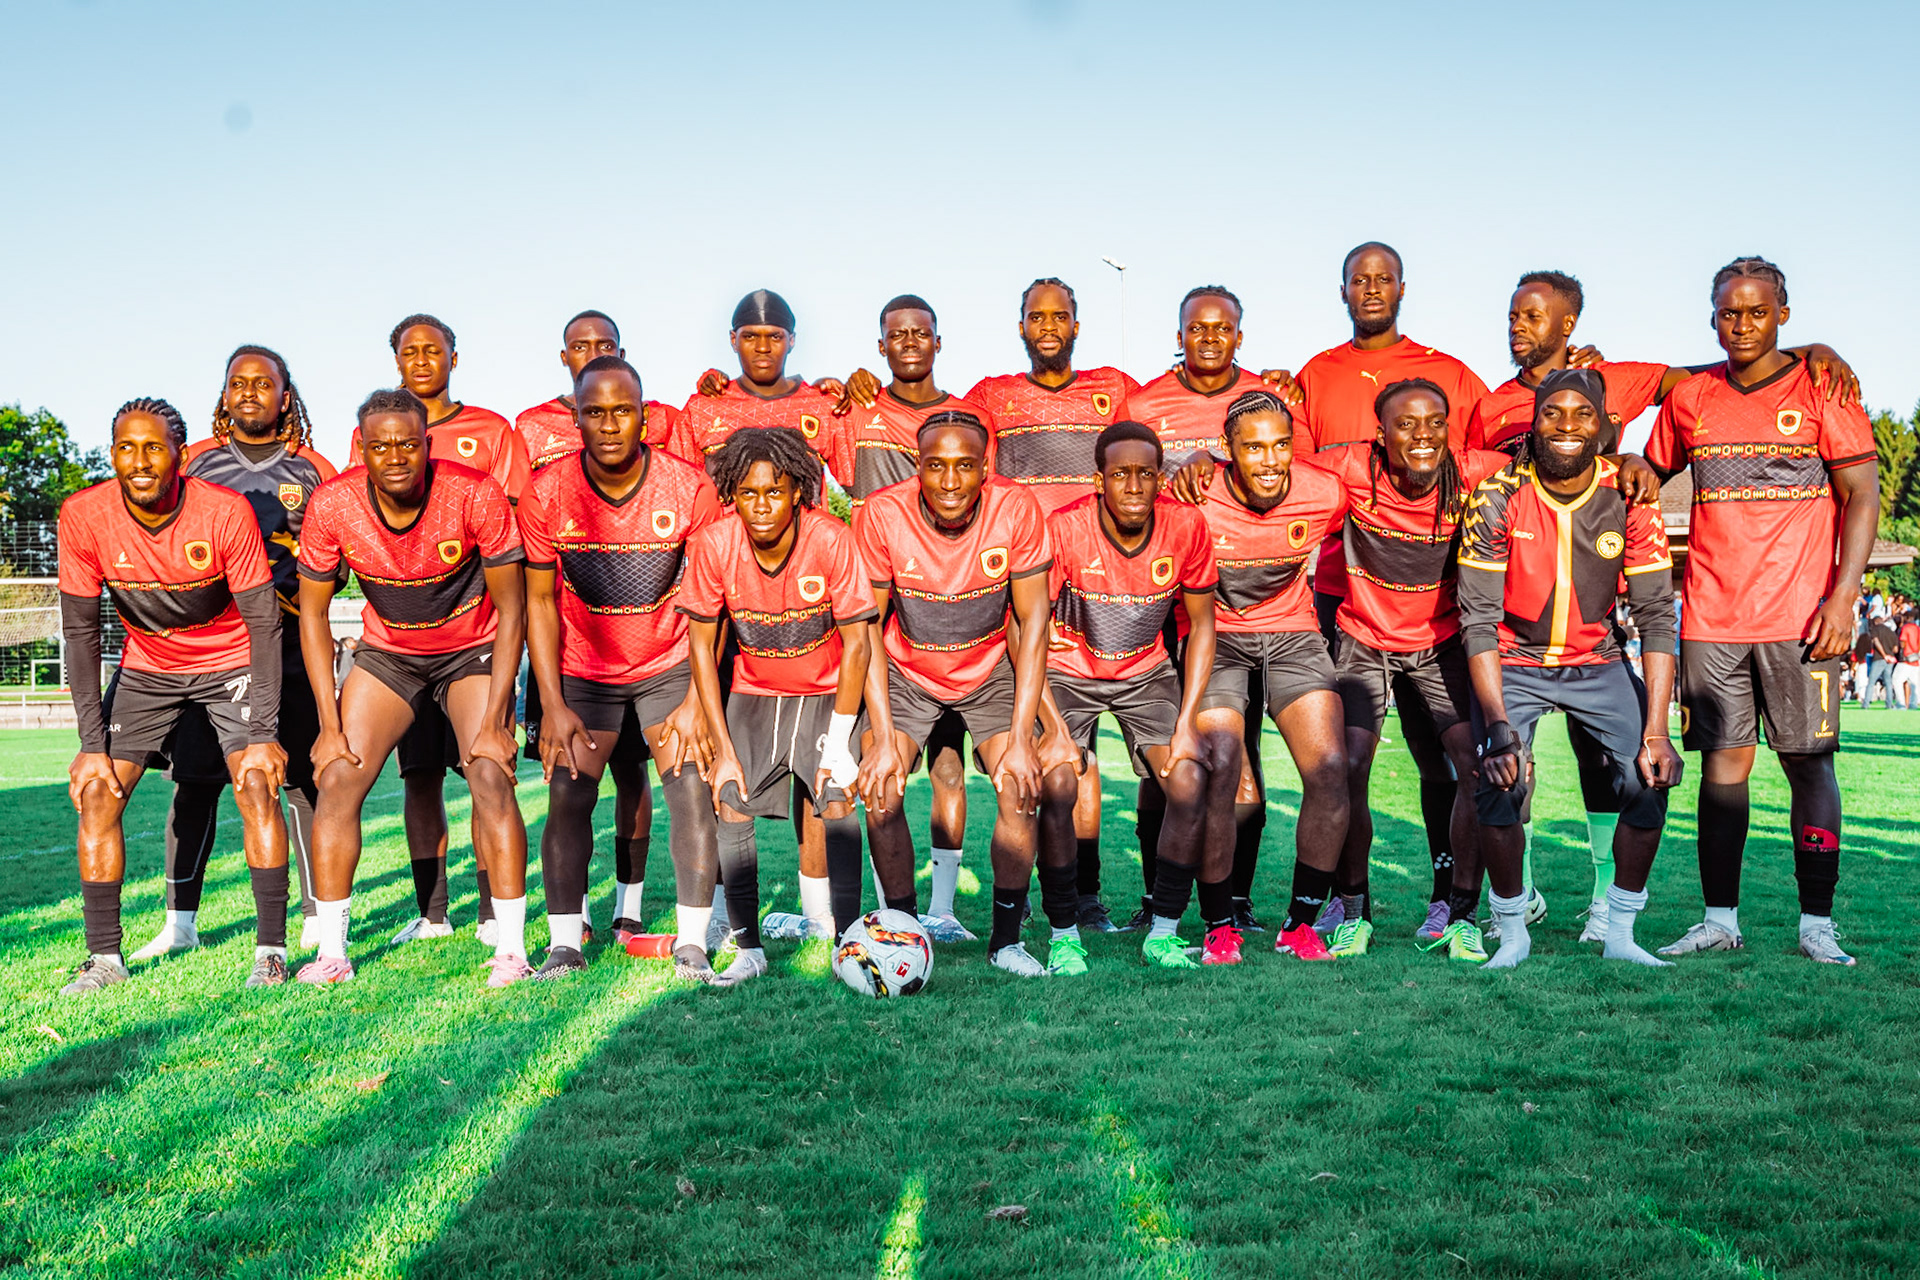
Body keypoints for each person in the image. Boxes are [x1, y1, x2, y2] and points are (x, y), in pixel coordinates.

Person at [1466, 271, 1860, 937]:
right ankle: (1542, 905)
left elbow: (1718, 375)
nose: (1518, 326)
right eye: (1513, 314)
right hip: (1566, 633)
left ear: (1568, 326)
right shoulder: (1489, 406)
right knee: (1510, 771)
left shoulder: (1627, 378)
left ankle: (1621, 912)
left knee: (1643, 767)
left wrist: (1804, 352)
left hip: (1682, 630)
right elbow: (1483, 481)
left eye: (1533, 316)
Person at [1646, 257, 1880, 965]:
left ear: (1783, 313)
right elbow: (1647, 472)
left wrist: (1843, 596)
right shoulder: (1690, 399)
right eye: (1728, 312)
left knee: (1809, 766)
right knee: (1723, 771)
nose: (1742, 325)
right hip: (1712, 619)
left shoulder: (1823, 386)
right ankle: (1720, 919)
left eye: (1756, 311)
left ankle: (1817, 925)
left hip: (1801, 618)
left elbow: (1862, 495)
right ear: (1712, 316)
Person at [294, 389, 530, 985]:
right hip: (390, 655)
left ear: (427, 443)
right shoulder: (333, 504)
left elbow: (514, 607)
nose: (394, 455)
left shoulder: (474, 492)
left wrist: (498, 719)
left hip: (470, 650)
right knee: (338, 776)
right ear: (362, 451)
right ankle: (331, 954)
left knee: (488, 772)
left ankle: (512, 949)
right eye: (380, 446)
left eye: (406, 443)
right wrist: (327, 724)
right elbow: (314, 616)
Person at [57, 398, 289, 993]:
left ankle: (270, 951)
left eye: (154, 447)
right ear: (111, 454)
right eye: (126, 448)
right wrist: (90, 744)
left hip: (230, 659)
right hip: (148, 666)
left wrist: (262, 734)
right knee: (98, 795)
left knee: (257, 784)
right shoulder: (84, 516)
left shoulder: (223, 511)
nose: (139, 460)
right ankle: (105, 959)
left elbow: (264, 624)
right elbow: (81, 634)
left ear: (179, 456)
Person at [1458, 369, 1682, 968]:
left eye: (1582, 413)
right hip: (1514, 659)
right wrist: (1500, 726)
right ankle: (1511, 934)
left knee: (1648, 775)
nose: (1566, 425)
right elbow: (1477, 619)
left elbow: (1658, 615)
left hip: (1597, 661)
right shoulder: (1498, 495)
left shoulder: (1631, 494)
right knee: (1497, 778)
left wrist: (1657, 729)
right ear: (1532, 423)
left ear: (1606, 425)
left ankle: (1619, 929)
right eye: (1552, 412)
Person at [518, 357, 727, 981]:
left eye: (623, 411)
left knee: (689, 788)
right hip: (585, 669)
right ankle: (564, 944)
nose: (609, 424)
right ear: (574, 417)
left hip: (668, 664)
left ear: (644, 415)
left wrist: (696, 696)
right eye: (594, 412)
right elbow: (537, 601)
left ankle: (692, 941)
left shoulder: (689, 486)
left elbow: (709, 599)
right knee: (568, 793)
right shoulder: (547, 492)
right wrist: (552, 703)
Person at [128, 347, 335, 963]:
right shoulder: (193, 464)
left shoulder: (313, 470)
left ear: (284, 397)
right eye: (236, 383)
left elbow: (336, 562)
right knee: (195, 784)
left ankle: (314, 916)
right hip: (207, 652)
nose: (248, 393)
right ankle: (180, 921)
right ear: (223, 396)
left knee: (295, 781)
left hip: (288, 650)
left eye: (262, 384)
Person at [852, 411, 1067, 976]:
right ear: (915, 466)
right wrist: (876, 735)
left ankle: (1005, 943)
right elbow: (867, 629)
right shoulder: (881, 514)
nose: (950, 481)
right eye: (936, 466)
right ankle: (902, 932)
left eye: (965, 466)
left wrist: (1022, 738)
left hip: (988, 665)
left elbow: (1034, 622)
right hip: (907, 669)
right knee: (880, 787)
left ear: (986, 467)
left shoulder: (1016, 509)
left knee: (1022, 785)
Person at [820, 294, 998, 943]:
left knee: (949, 768)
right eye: (897, 334)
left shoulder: (967, 418)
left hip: (951, 606)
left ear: (938, 340)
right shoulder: (858, 409)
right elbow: (809, 427)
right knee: (880, 765)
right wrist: (828, 386)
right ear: (881, 345)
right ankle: (890, 912)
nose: (910, 343)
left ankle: (943, 911)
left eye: (921, 332)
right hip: (883, 610)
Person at [351, 314, 532, 947]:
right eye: (410, 350)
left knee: (485, 771)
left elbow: (506, 518)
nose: (422, 359)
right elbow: (367, 513)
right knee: (419, 777)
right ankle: (431, 912)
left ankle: (492, 911)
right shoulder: (373, 432)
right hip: (400, 640)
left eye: (435, 350)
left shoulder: (491, 430)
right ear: (395, 358)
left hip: (472, 633)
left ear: (455, 357)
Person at [966, 278, 1139, 933]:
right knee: (1041, 757)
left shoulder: (1115, 389)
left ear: (1076, 323)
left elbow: (1166, 442)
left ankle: (1083, 900)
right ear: (1019, 326)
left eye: (1058, 315)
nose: (1047, 325)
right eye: (1035, 315)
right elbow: (939, 439)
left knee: (1083, 760)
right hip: (1017, 595)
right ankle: (1043, 895)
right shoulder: (991, 397)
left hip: (1097, 595)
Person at [680, 428, 883, 982]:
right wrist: (721, 748)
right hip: (754, 692)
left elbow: (860, 642)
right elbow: (701, 645)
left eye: (775, 491)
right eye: (748, 492)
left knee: (837, 801)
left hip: (825, 694)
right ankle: (749, 950)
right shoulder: (716, 544)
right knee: (730, 798)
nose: (762, 505)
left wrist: (843, 740)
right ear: (732, 495)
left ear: (798, 491)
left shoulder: (830, 537)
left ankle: (847, 945)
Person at [1321, 379, 1507, 961]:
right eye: (1406, 424)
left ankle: (1460, 913)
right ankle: (1354, 912)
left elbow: (1556, 467)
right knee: (1345, 769)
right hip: (1363, 640)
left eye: (1434, 423)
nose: (1422, 436)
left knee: (1475, 771)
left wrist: (1625, 461)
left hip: (1443, 642)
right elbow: (1273, 469)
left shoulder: (1477, 471)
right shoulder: (1350, 467)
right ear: (1381, 432)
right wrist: (1206, 462)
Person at [513, 309, 675, 943]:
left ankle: (629, 904)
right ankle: (570, 919)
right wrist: (546, 691)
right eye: (580, 346)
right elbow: (538, 590)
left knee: (635, 776)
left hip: (651, 653)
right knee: (568, 785)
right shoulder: (534, 436)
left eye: (604, 345)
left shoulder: (663, 430)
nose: (591, 353)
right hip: (580, 656)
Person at [1040, 422, 1225, 972]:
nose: (1134, 486)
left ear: (1159, 477)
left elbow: (1202, 625)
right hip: (1068, 671)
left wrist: (1189, 719)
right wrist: (1050, 727)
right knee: (1056, 781)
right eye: (1120, 474)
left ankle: (1164, 932)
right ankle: (1064, 933)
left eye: (1146, 474)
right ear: (1099, 480)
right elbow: (1023, 627)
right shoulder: (1065, 527)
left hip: (1145, 673)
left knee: (1189, 777)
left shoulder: (1185, 526)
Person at [1175, 390, 1350, 962]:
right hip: (1216, 636)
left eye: (1281, 445)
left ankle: (1300, 925)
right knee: (1222, 769)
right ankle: (1219, 925)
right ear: (1227, 450)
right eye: (1253, 448)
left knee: (1329, 771)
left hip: (1292, 632)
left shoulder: (1324, 491)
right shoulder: (1194, 495)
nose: (1271, 460)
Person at [1120, 285, 1271, 931]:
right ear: (1179, 333)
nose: (1209, 337)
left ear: (1240, 334)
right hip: (1170, 611)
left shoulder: (1267, 395)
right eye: (1196, 327)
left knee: (1244, 763)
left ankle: (1234, 902)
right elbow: (1125, 487)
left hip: (1248, 609)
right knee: (1166, 767)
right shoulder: (1145, 401)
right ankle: (1157, 899)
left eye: (1223, 327)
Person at [1894, 609, 1920, 709]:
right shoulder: (1917, 628)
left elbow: (1903, 641)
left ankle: (1900, 703)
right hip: (1915, 658)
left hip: (1906, 658)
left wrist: (1901, 650)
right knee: (1914, 683)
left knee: (1896, 680)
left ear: (1907, 618)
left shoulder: (1906, 628)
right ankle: (1913, 703)